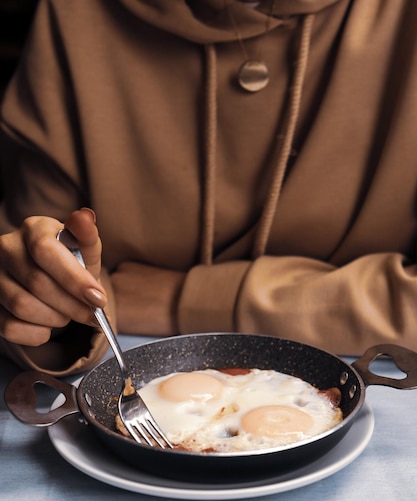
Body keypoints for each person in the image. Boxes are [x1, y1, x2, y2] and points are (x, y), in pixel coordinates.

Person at [0, 0, 416, 376]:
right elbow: (41, 259)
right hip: (118, 394)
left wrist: (181, 300)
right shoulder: (74, 13)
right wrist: (46, 303)